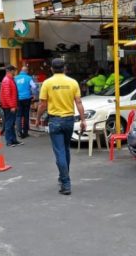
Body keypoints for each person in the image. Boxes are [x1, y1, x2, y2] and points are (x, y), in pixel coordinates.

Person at [36, 58, 86, 195]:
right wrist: (83, 120)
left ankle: (66, 183)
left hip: (55, 121)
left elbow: (42, 105)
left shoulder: (47, 83)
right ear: (65, 68)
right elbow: (79, 102)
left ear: (51, 69)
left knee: (59, 152)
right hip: (69, 120)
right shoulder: (73, 82)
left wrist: (38, 118)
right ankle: (63, 176)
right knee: (65, 150)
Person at [0, 65, 23, 147]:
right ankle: (9, 141)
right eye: (14, 70)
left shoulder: (10, 79)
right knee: (9, 123)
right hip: (9, 106)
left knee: (12, 123)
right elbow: (7, 95)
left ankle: (13, 140)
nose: (15, 72)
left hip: (11, 105)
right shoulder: (7, 80)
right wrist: (12, 106)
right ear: (10, 71)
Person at [14, 65, 36, 138]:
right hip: (27, 98)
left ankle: (19, 132)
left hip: (18, 99)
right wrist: (33, 94)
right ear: (26, 71)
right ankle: (25, 132)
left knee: (18, 115)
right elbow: (34, 87)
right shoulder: (29, 78)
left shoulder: (15, 78)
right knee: (26, 115)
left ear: (21, 71)